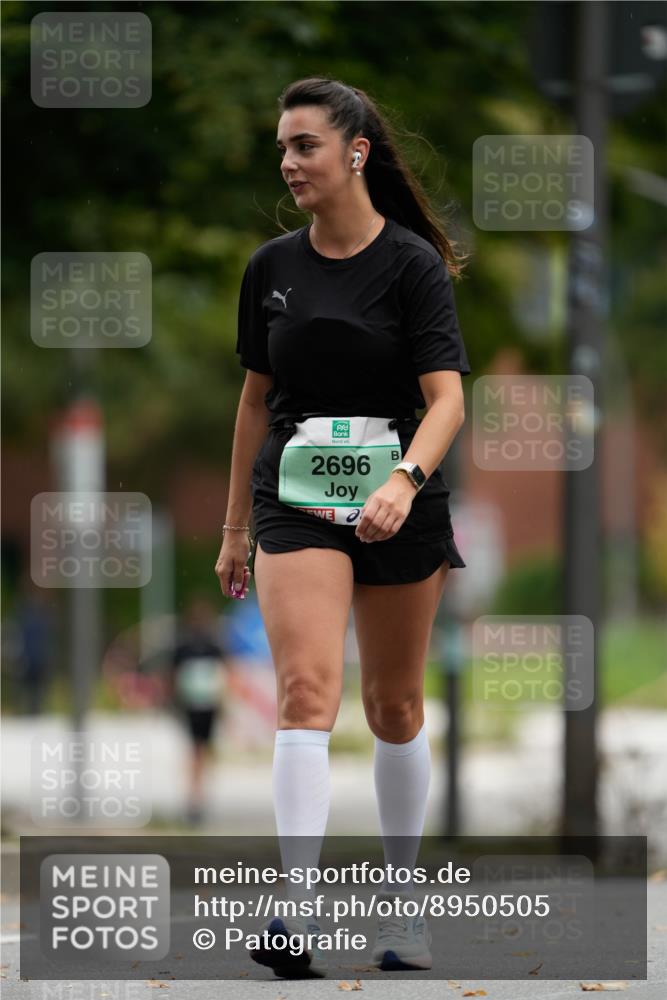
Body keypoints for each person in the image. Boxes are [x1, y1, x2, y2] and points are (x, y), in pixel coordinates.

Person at [215, 76, 471, 979]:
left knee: (393, 706)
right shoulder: (269, 269)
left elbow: (446, 399)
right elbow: (254, 401)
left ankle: (402, 909)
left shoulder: (410, 266)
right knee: (304, 692)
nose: (287, 163)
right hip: (293, 501)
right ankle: (295, 911)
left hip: (399, 506)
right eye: (282, 148)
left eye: (304, 146)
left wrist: (405, 479)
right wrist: (236, 525)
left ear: (354, 153)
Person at [169, 595, 228, 825]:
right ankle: (195, 795)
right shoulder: (200, 645)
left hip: (201, 704)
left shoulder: (202, 645)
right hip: (198, 705)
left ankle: (197, 794)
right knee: (197, 750)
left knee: (198, 750)